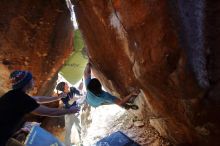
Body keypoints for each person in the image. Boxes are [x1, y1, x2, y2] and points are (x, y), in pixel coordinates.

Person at [0, 70, 80, 146]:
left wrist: (56, 98)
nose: (33, 82)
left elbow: (37, 99)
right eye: (32, 79)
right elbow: (49, 112)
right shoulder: (22, 99)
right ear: (26, 83)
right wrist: (69, 111)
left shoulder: (11, 95)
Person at [56, 81, 85, 146]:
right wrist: (73, 99)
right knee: (68, 131)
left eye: (66, 83)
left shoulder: (72, 89)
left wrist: (80, 91)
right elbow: (68, 104)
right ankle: (67, 144)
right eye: (66, 84)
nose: (67, 84)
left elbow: (79, 93)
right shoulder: (62, 95)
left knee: (79, 128)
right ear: (64, 88)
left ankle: (81, 143)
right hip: (68, 113)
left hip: (76, 112)